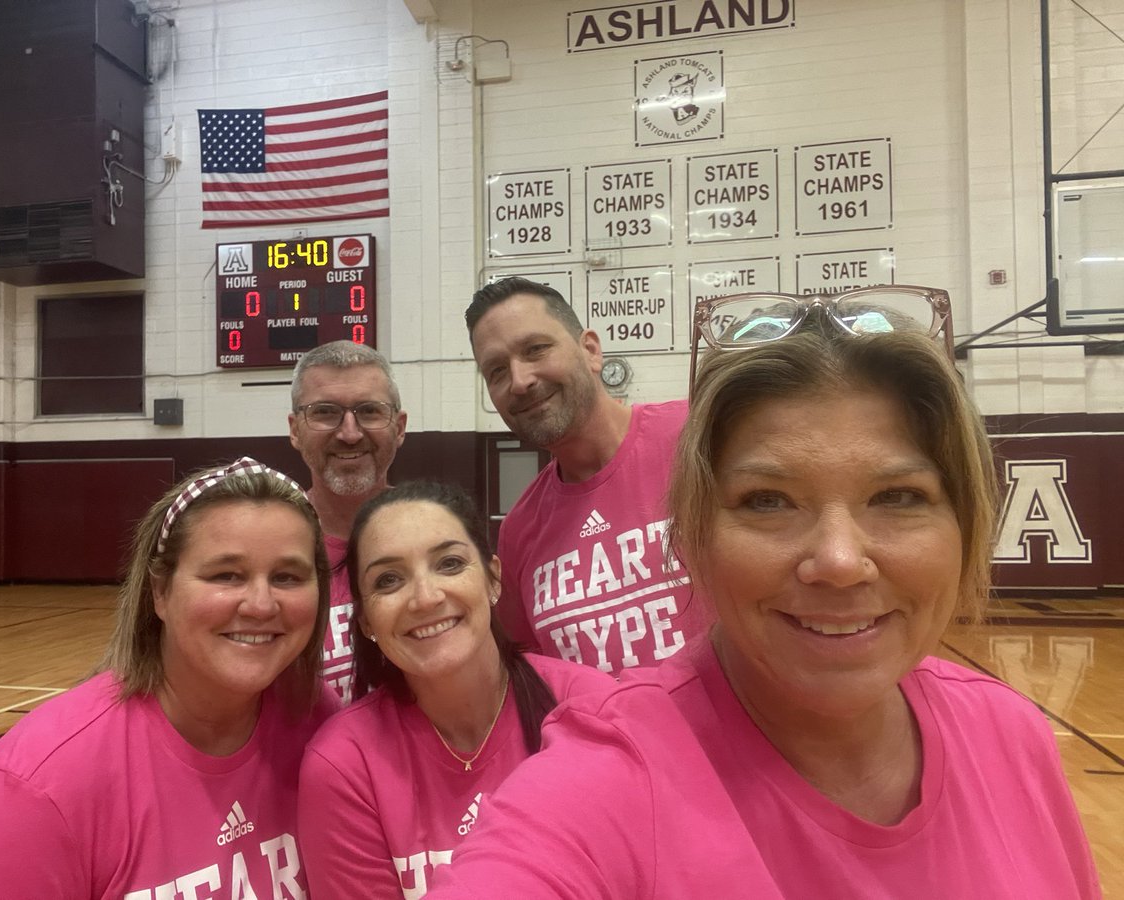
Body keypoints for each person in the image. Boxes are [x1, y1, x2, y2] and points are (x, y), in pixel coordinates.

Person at [432, 289, 1102, 898]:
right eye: (768, 502)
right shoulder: (605, 770)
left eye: (898, 496)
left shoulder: (1013, 736)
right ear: (696, 532)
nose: (838, 562)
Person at [0, 458, 339, 897]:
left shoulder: (314, 716)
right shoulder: (32, 789)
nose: (261, 604)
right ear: (159, 591)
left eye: (288, 577)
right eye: (226, 575)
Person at [297, 481, 612, 898]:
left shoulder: (593, 707)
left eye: (448, 563)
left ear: (493, 579)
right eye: (389, 580)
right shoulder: (343, 766)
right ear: (366, 620)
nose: (425, 598)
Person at [465, 276, 701, 676]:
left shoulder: (698, 435)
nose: (520, 381)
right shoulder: (520, 531)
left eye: (536, 349)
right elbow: (535, 676)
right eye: (497, 371)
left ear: (590, 350)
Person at [289, 340, 407, 702]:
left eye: (370, 411)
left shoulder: (442, 538)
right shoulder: (268, 547)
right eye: (325, 412)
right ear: (295, 429)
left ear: (399, 427)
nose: (350, 433)